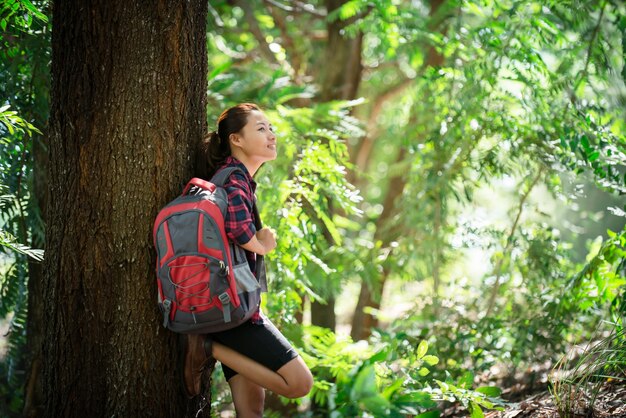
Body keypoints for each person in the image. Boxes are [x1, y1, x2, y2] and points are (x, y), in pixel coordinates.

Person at [183, 103, 313, 416]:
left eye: (271, 128)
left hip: (229, 307)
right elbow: (239, 230)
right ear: (236, 140)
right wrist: (263, 244)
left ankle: (210, 346)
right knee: (299, 384)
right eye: (261, 128)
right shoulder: (234, 179)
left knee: (251, 412)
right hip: (235, 315)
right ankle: (206, 348)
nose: (272, 135)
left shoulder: (234, 178)